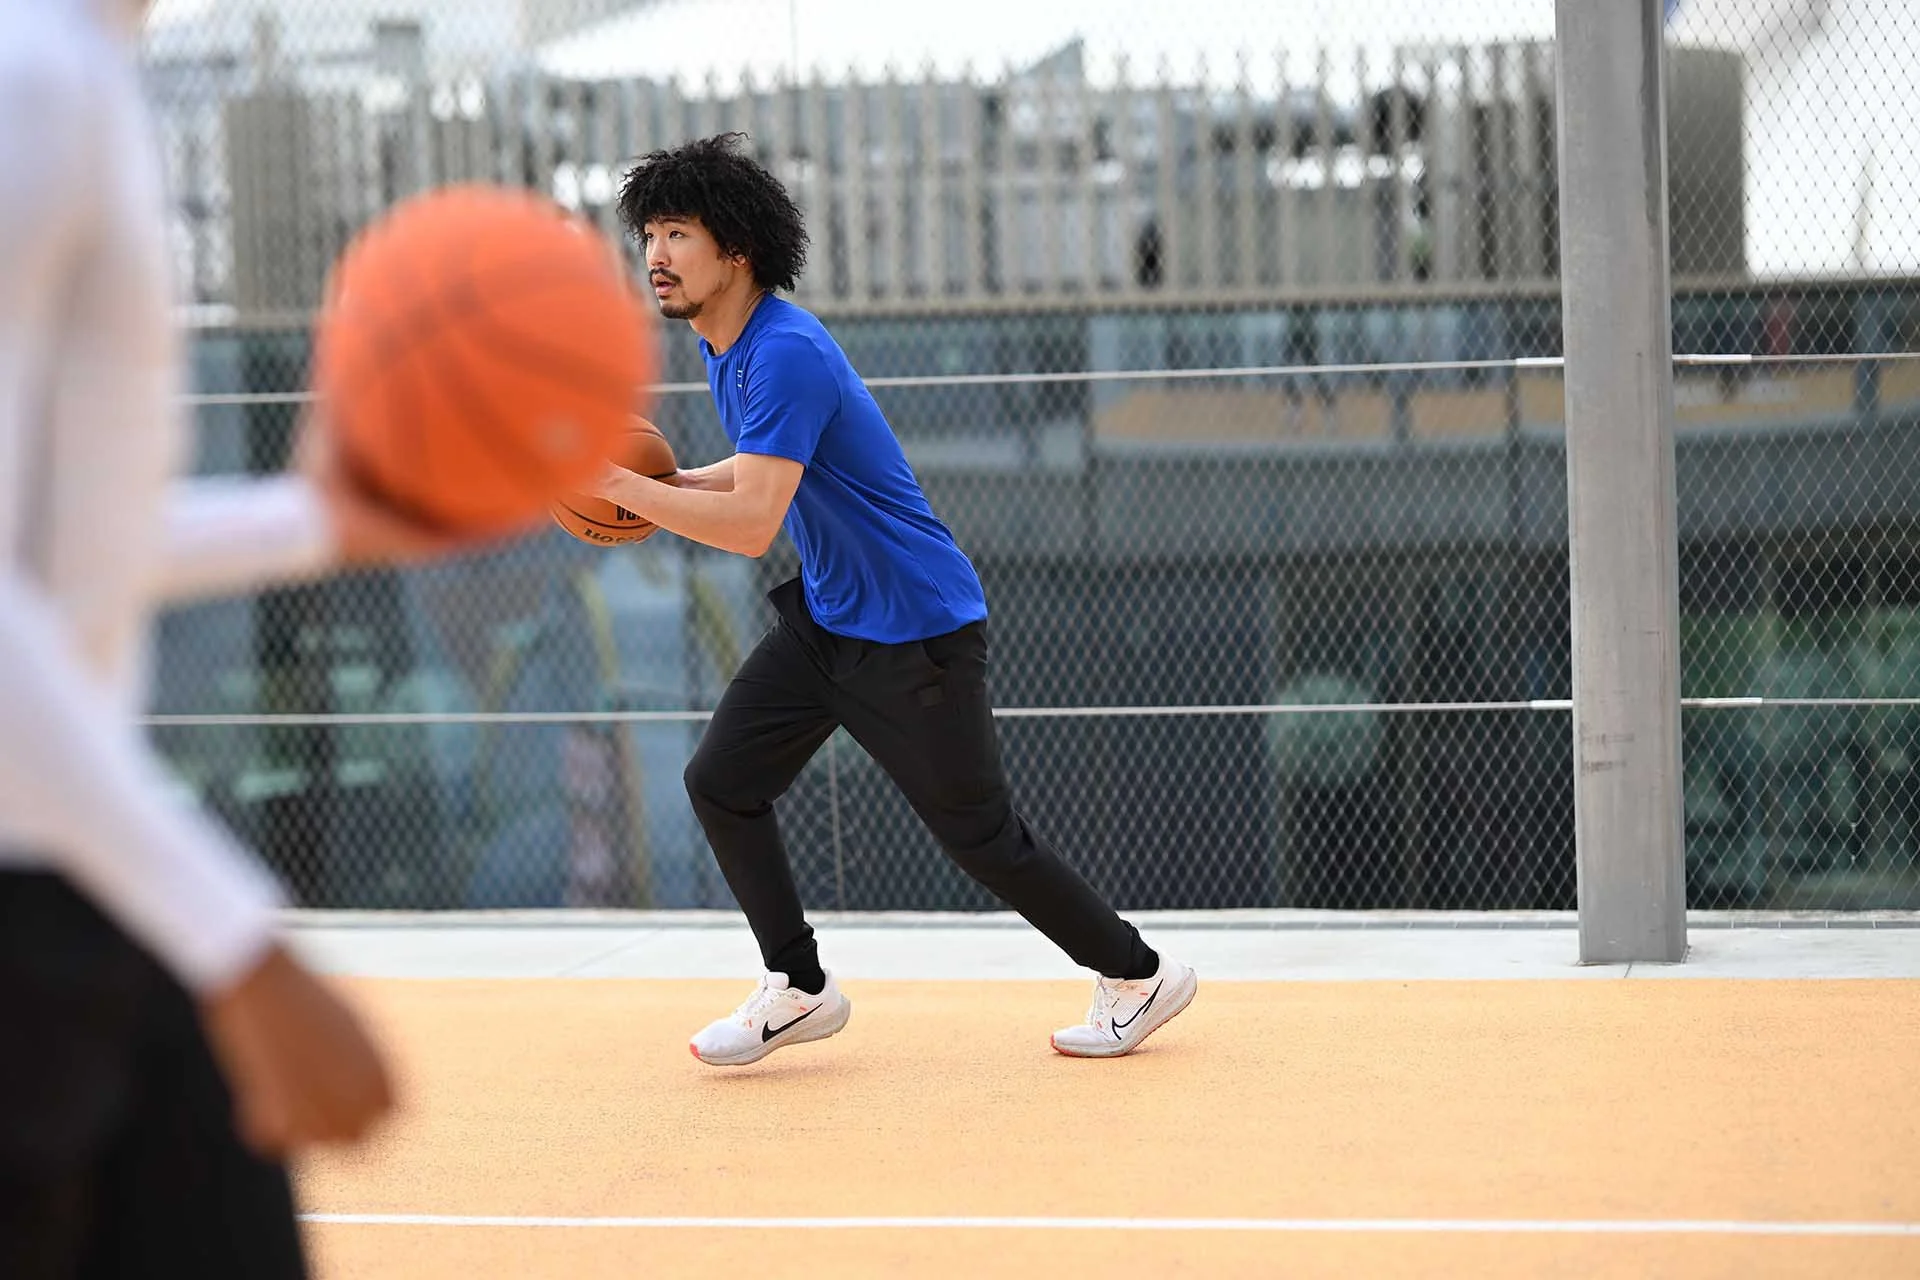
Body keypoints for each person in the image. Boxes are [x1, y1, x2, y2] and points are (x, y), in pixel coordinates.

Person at [0, 1, 500, 1274]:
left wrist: (312, 522)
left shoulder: (78, 75)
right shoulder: (33, 82)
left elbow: (53, 557)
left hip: (76, 873)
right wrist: (235, 942)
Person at [593, 133, 1197, 1067]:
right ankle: (797, 986)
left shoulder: (783, 350)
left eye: (678, 233)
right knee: (721, 780)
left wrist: (624, 491)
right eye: (649, 235)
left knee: (983, 839)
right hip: (832, 622)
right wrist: (659, 483)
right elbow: (756, 476)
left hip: (915, 629)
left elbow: (755, 524)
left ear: (737, 250)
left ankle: (1140, 976)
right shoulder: (729, 346)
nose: (657, 255)